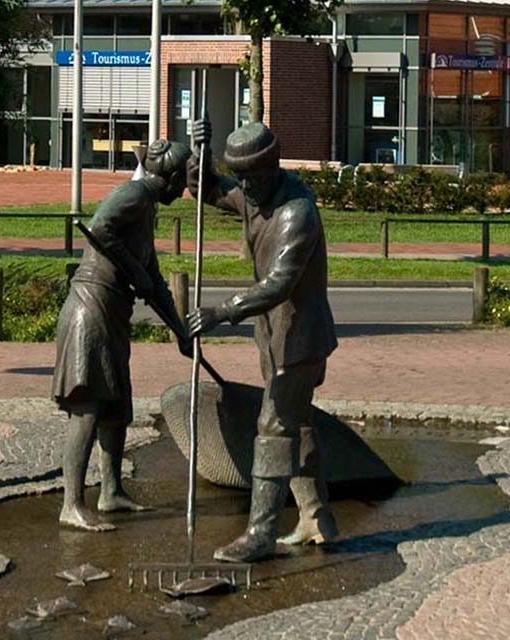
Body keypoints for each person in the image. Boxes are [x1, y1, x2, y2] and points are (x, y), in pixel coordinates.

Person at [185, 120, 340, 563]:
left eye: (251, 176)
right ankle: (316, 518)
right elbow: (210, 191)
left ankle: (260, 533)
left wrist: (222, 311)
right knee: (299, 423)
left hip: (299, 338)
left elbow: (278, 284)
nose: (245, 186)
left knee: (273, 428)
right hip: (274, 336)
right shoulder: (256, 195)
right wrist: (202, 151)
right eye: (242, 176)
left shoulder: (297, 213)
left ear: (272, 166)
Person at [52, 140, 193, 531]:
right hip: (90, 309)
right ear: (172, 177)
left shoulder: (146, 210)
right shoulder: (133, 194)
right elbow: (98, 228)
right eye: (183, 182)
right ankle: (72, 504)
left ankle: (111, 491)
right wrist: (136, 269)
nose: (183, 192)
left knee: (115, 408)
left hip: (113, 312)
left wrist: (181, 331)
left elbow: (155, 281)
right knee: (88, 405)